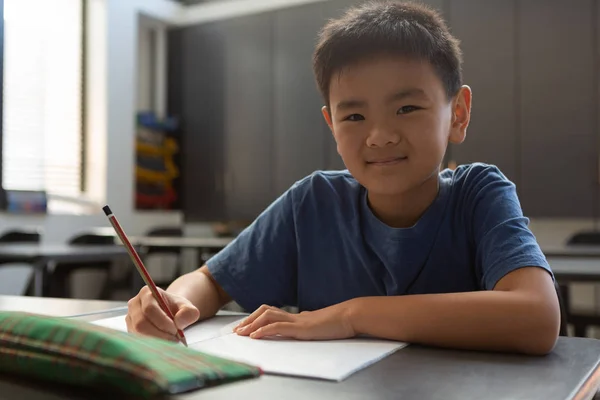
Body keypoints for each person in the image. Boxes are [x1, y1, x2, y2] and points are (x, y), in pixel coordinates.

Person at [126, 0, 560, 355]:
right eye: (353, 115)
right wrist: (175, 301)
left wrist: (351, 315)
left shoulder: (479, 193)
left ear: (458, 114)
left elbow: (538, 316)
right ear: (332, 126)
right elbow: (210, 280)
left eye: (406, 108)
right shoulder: (313, 202)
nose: (380, 136)